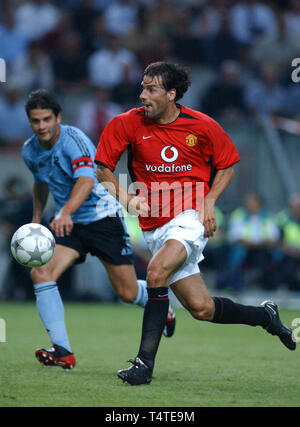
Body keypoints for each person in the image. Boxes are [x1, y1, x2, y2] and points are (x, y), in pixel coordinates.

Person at [95, 61, 296, 386]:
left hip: (189, 218)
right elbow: (102, 168)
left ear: (171, 94)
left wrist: (209, 201)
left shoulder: (202, 125)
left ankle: (144, 366)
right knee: (201, 308)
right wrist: (127, 199)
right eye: (142, 87)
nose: (142, 94)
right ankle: (265, 316)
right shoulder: (125, 123)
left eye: (151, 89)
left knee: (156, 274)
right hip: (153, 227)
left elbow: (227, 166)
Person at [22, 89, 176, 370]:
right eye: (36, 121)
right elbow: (40, 182)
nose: (42, 126)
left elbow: (86, 181)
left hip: (102, 219)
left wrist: (66, 211)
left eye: (46, 119)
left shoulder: (75, 140)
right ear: (30, 122)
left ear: (58, 117)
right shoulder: (29, 150)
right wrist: (36, 219)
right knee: (41, 272)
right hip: (69, 224)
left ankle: (161, 305)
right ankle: (62, 350)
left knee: (127, 293)